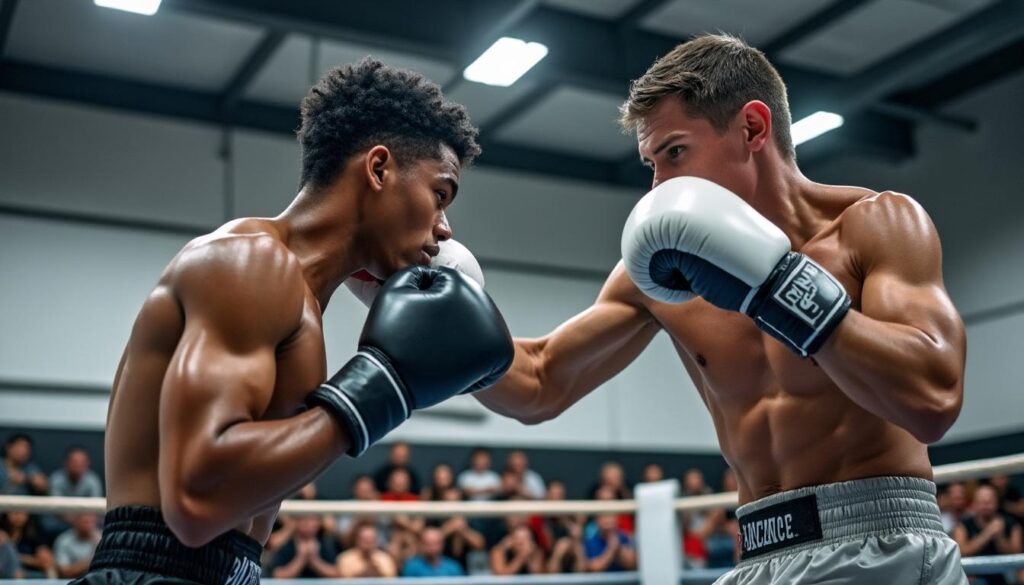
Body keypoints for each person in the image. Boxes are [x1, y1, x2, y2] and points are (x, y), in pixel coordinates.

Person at [475, 33, 967, 584]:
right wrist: (443, 327)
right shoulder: (661, 270)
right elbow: (541, 381)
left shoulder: (874, 225)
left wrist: (777, 288)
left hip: (880, 544)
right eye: (650, 163)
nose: (658, 186)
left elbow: (934, 399)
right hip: (758, 554)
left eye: (675, 153)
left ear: (752, 129)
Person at [72, 58, 513, 585]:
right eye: (440, 195)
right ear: (378, 169)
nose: (445, 229)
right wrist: (383, 388)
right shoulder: (250, 264)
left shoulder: (301, 299)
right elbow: (196, 500)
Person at [952, 485, 1022, 585]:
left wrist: (1000, 537)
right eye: (982, 502)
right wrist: (987, 533)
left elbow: (1017, 555)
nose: (986, 506)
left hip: (1004, 575)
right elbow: (961, 552)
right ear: (975, 504)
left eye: (989, 502)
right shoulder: (963, 525)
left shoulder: (1011, 523)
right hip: (974, 576)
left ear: (996, 503)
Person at [269, 515, 338, 578]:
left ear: (319, 523)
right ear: (296, 522)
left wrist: (315, 561)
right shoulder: (286, 543)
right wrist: (300, 559)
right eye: (303, 519)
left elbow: (336, 573)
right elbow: (278, 575)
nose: (307, 523)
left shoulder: (326, 542)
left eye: (312, 519)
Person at [0, 511, 56, 578]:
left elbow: (47, 563)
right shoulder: (2, 534)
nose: (18, 516)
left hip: (27, 574)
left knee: (50, 569)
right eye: (14, 512)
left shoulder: (34, 535)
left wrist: (19, 557)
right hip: (5, 573)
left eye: (21, 513)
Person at [54, 514, 100, 579]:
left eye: (90, 520)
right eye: (85, 520)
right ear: (75, 520)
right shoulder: (64, 540)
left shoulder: (104, 537)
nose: (88, 520)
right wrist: (94, 560)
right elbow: (64, 572)